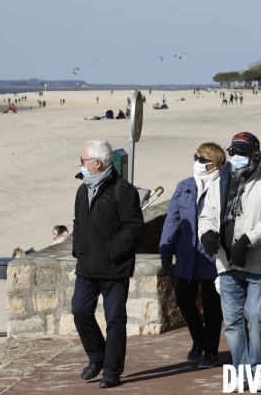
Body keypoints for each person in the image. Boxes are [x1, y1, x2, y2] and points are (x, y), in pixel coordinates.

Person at [198, 132, 261, 391]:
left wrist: (248, 240)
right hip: (227, 264)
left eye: (242, 153)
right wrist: (206, 233)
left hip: (260, 263)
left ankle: (259, 370)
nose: (236, 158)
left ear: (256, 154)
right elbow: (208, 214)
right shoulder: (220, 182)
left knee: (258, 316)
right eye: (233, 153)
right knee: (233, 322)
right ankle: (241, 371)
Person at [71, 139, 143, 388]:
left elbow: (134, 228)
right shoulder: (82, 189)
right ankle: (97, 356)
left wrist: (112, 251)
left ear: (97, 163)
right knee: (80, 311)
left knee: (115, 320)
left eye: (83, 160)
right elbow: (78, 222)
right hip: (87, 267)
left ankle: (112, 371)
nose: (80, 164)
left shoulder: (123, 190)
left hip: (115, 267)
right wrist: (77, 249)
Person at [159, 143, 226, 369]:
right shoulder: (185, 186)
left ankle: (211, 351)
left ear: (215, 164)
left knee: (212, 306)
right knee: (184, 301)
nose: (198, 162)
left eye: (203, 159)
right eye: (196, 157)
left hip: (212, 257)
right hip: (187, 254)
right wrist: (165, 249)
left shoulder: (225, 185)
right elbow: (173, 220)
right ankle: (198, 339)